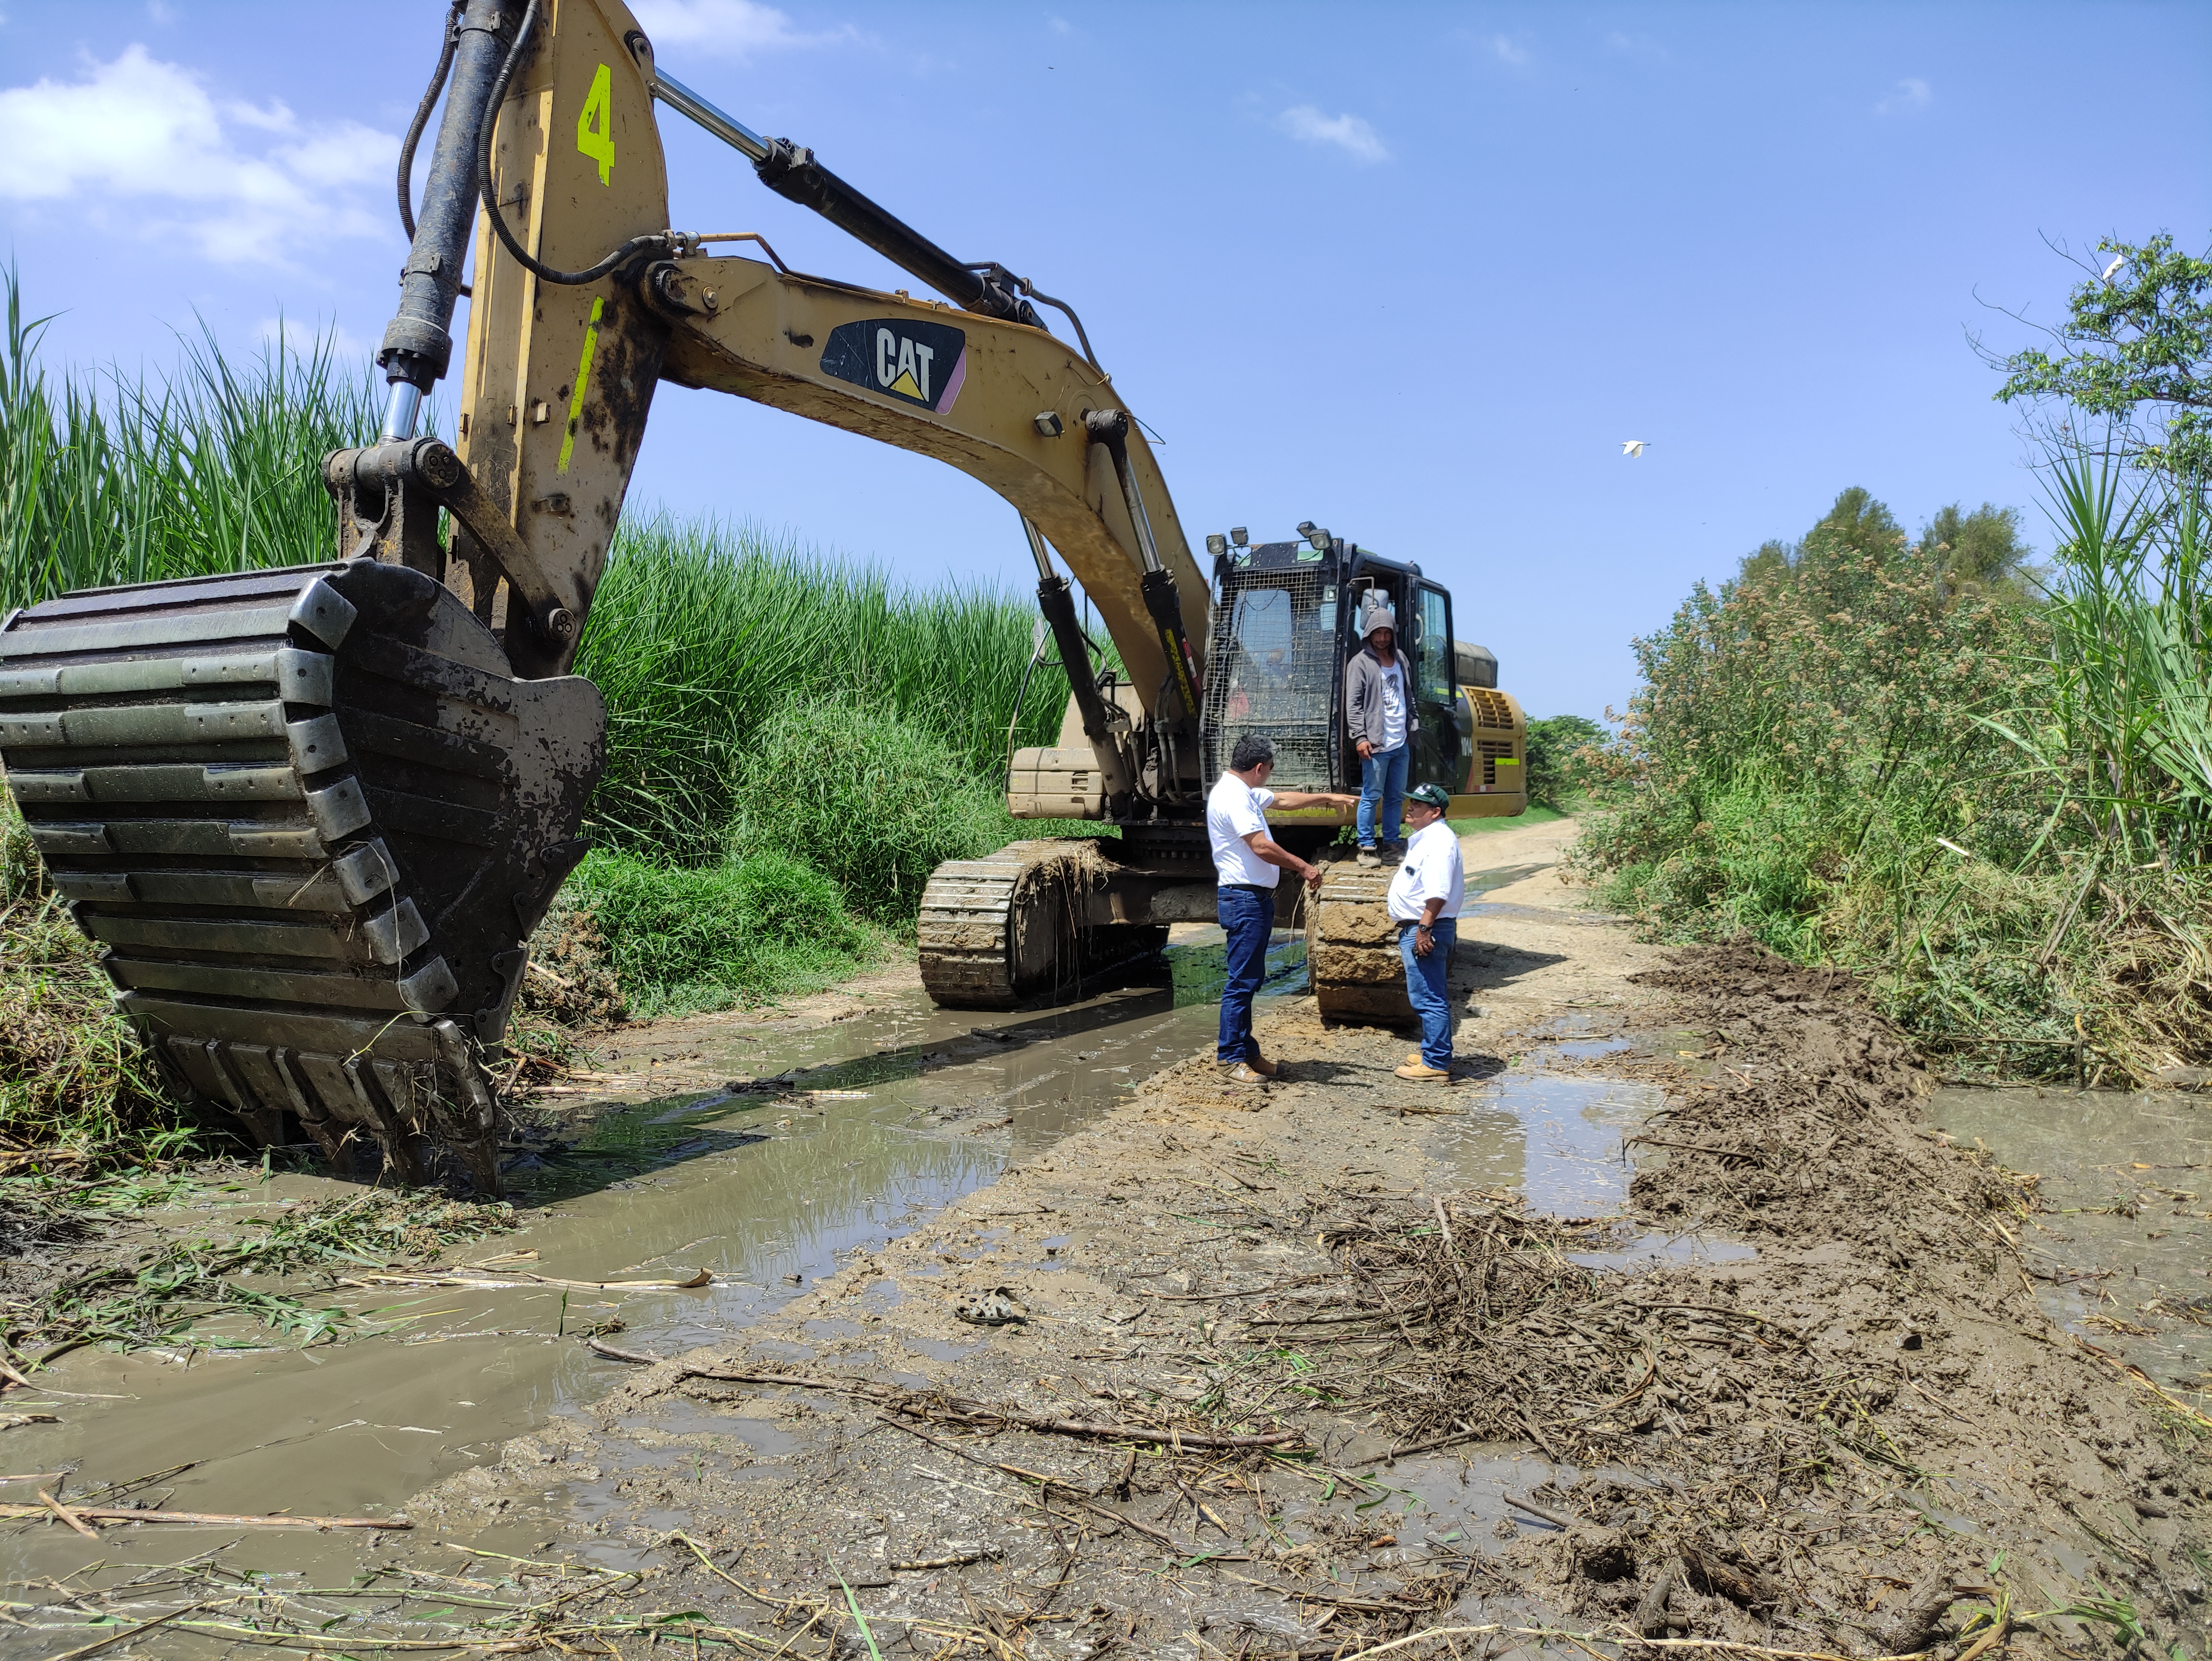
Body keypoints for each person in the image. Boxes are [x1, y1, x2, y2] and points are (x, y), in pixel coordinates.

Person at [1207, 734, 1358, 1085]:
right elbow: (1260, 846)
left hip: (1250, 899)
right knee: (1241, 983)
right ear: (1259, 768)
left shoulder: (1241, 791)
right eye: (1270, 771)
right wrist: (1304, 867)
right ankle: (1230, 1059)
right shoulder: (1234, 798)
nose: (1271, 778)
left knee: (1249, 979)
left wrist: (1326, 797)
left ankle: (1247, 1052)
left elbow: (1285, 800)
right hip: (1243, 899)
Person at [1388, 782, 1465, 1082]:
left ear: (1435, 812)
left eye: (1418, 805)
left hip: (1427, 927)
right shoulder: (1430, 839)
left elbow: (1438, 893)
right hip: (1425, 926)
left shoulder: (1438, 843)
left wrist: (1423, 929)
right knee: (1427, 994)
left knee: (1429, 997)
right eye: (1411, 802)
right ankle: (1433, 1051)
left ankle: (1435, 1063)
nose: (1411, 807)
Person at [1344, 599, 1415, 868]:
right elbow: (1353, 704)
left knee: (1396, 796)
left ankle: (1392, 845)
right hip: (1376, 743)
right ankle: (1367, 847)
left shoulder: (1401, 659)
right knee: (1372, 795)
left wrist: (1413, 725)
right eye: (1378, 633)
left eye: (1387, 633)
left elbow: (1410, 696)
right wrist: (1360, 737)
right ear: (1369, 633)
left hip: (1401, 742)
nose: (1383, 638)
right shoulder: (1360, 663)